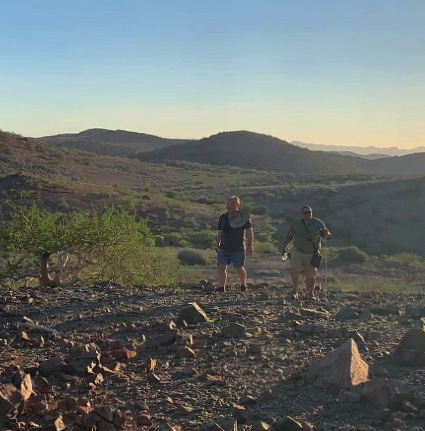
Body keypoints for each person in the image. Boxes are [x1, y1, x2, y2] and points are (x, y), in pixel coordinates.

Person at [281, 205, 332, 299]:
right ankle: (294, 291)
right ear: (301, 214)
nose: (308, 214)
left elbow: (328, 236)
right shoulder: (295, 224)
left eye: (309, 212)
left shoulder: (318, 223)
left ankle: (309, 293)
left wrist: (326, 233)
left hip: (311, 251)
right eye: (305, 212)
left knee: (311, 275)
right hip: (297, 249)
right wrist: (283, 248)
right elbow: (289, 236)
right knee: (294, 270)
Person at [216, 196, 254, 292]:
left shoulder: (242, 217)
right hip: (224, 246)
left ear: (238, 205)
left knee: (239, 267)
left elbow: (249, 231)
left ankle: (243, 285)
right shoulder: (223, 217)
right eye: (228, 204)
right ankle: (221, 287)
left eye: (232, 204)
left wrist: (250, 245)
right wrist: (218, 243)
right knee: (221, 266)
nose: (230, 206)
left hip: (238, 247)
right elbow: (220, 231)